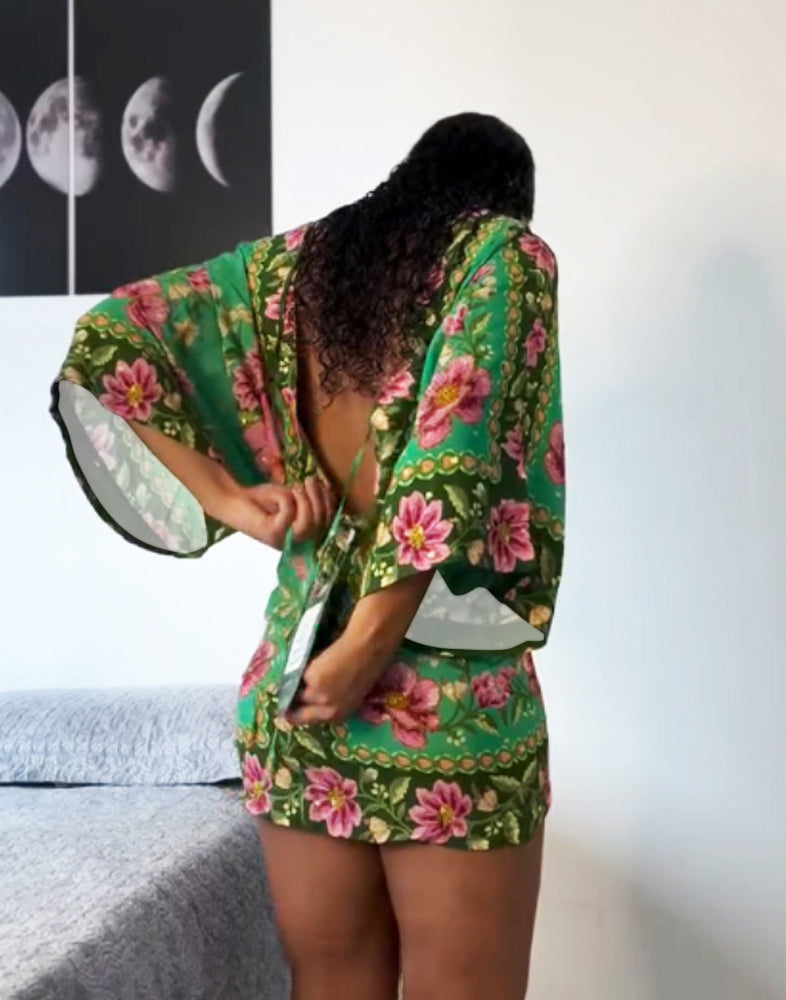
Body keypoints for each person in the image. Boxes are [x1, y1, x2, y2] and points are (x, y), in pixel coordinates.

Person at [48, 111, 565, 1000]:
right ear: (503, 200)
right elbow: (452, 447)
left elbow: (113, 341)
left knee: (329, 982)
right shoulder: (503, 254)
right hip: (443, 697)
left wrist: (226, 495)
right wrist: (367, 644)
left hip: (295, 690)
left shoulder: (298, 270)